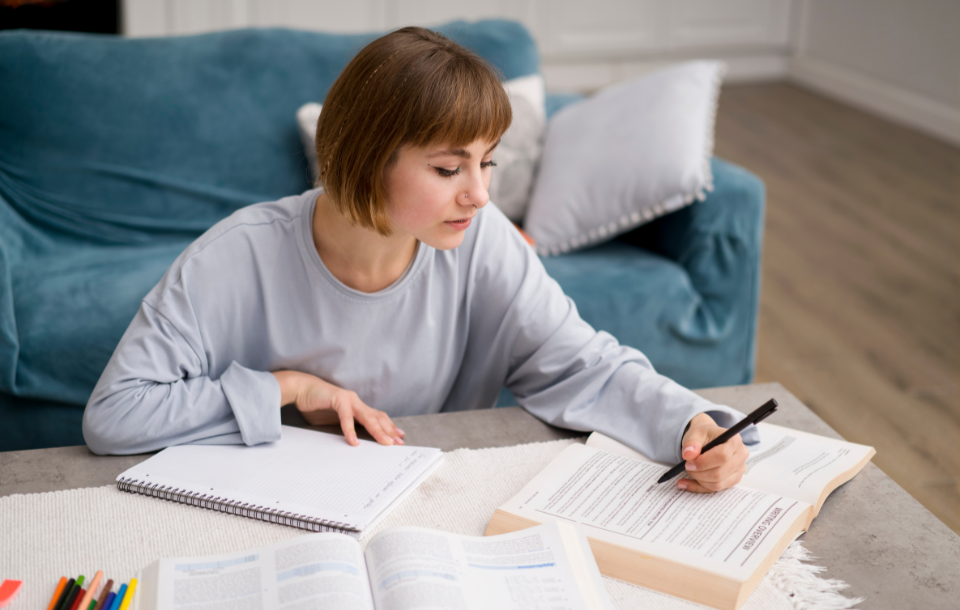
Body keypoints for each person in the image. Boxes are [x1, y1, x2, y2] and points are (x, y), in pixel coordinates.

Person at [83, 27, 753, 494]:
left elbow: (582, 366)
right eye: (447, 166)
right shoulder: (233, 257)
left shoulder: (480, 238)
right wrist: (287, 389)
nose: (480, 193)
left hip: (429, 504)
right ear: (364, 154)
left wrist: (690, 423)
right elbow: (115, 415)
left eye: (486, 163)